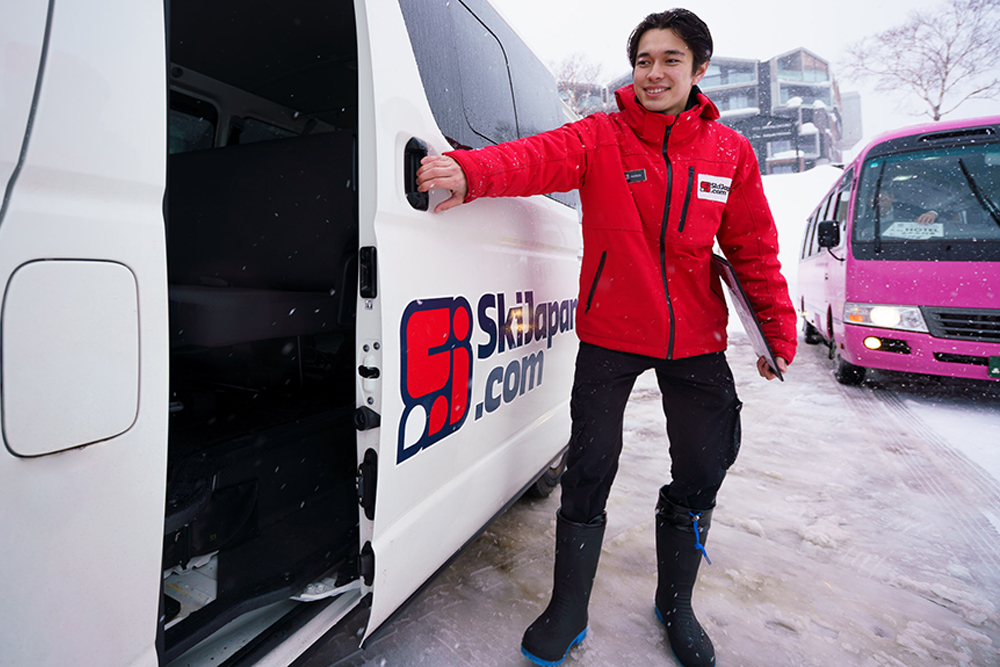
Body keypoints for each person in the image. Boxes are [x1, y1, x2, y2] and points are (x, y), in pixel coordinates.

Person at [416, 9, 796, 667]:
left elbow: (753, 247)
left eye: (670, 59)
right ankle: (568, 610)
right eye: (644, 59)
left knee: (705, 462)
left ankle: (676, 603)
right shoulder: (603, 136)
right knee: (590, 464)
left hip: (695, 337)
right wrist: (470, 172)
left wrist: (775, 334)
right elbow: (534, 157)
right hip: (611, 331)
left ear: (699, 69)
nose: (654, 72)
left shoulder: (728, 153)